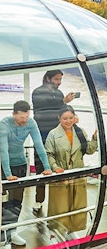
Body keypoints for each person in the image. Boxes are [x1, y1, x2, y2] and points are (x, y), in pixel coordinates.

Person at [0, 100, 52, 247]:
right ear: (14, 114)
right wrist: (7, 173)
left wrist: (47, 167)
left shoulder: (31, 122)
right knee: (0, 202)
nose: (24, 120)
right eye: (21, 117)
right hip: (3, 165)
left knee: (17, 200)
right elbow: (3, 150)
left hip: (21, 164)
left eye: (26, 117)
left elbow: (39, 145)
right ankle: (0, 233)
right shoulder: (4, 124)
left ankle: (13, 232)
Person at [45, 105, 98, 239]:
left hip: (78, 173)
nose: (68, 121)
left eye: (70, 117)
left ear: (74, 117)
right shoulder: (53, 134)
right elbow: (48, 154)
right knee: (60, 204)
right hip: (61, 174)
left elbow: (89, 150)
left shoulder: (80, 132)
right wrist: (55, 167)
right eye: (65, 118)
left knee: (77, 203)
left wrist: (95, 138)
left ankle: (73, 228)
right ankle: (56, 229)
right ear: (59, 119)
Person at [31, 69, 77, 214]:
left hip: (57, 135)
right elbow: (43, 107)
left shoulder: (59, 93)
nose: (59, 82)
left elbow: (62, 111)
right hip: (42, 135)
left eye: (60, 79)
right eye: (56, 79)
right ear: (48, 78)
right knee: (42, 168)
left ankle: (61, 202)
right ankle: (39, 201)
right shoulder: (38, 92)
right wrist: (63, 102)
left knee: (60, 165)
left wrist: (72, 115)